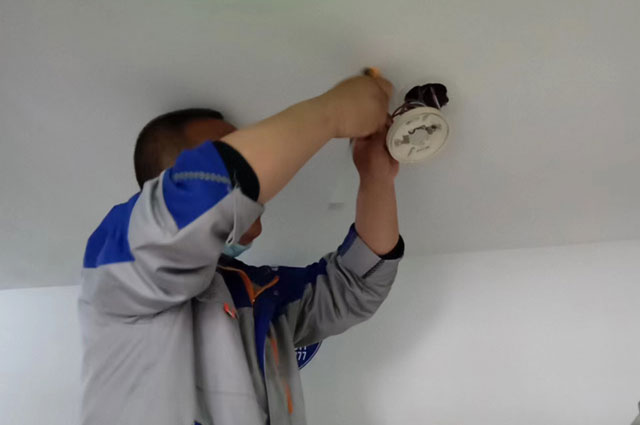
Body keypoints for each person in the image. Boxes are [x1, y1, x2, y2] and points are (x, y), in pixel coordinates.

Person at [78, 72, 405, 425]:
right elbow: (202, 192)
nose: (259, 157)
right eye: (230, 149)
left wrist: (376, 176)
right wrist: (331, 113)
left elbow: (356, 287)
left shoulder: (261, 296)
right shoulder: (122, 276)